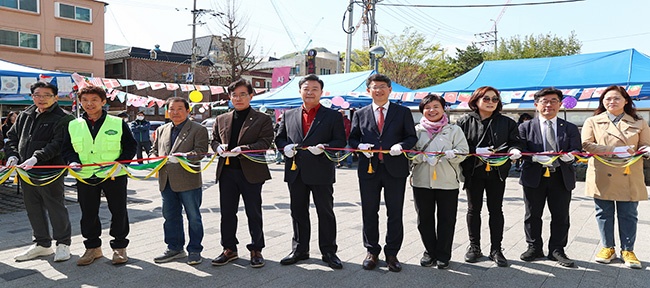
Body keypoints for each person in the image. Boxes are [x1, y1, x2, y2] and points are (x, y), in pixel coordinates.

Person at [275, 74, 346, 269]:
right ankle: (300, 249)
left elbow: (340, 141)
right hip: (295, 170)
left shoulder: (332, 116)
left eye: (315, 89)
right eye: (306, 89)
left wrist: (325, 146)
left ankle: (329, 251)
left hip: (321, 170)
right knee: (298, 211)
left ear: (321, 93)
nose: (310, 92)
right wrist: (284, 147)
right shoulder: (288, 115)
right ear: (300, 91)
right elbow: (279, 138)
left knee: (325, 212)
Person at [348, 74, 417, 272]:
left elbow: (411, 137)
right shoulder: (360, 113)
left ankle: (392, 253)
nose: (378, 90)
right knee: (369, 211)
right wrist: (359, 145)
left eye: (382, 86)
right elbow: (352, 139)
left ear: (389, 89)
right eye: (374, 87)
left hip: (395, 169)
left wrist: (401, 145)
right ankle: (372, 251)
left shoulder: (402, 112)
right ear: (368, 91)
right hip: (369, 169)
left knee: (394, 212)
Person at [61, 85, 137, 266]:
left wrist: (120, 162)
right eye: (85, 100)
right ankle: (92, 248)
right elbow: (67, 149)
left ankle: (119, 247)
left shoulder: (117, 123)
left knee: (118, 211)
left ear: (103, 101)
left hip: (113, 175)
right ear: (79, 102)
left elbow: (130, 146)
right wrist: (72, 161)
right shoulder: (73, 124)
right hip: (85, 175)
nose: (89, 104)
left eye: (94, 100)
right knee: (88, 213)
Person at [581, 85, 650, 269]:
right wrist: (614, 150)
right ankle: (607, 247)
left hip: (629, 172)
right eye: (607, 99)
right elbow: (586, 144)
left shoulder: (639, 121)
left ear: (626, 101)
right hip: (603, 171)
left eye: (616, 98)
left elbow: (645, 144)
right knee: (603, 213)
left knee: (629, 214)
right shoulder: (593, 121)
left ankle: (628, 250)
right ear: (602, 102)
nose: (612, 102)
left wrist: (646, 151)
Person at [7, 82, 74, 262]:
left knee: (55, 207)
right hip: (26, 172)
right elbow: (12, 137)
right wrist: (13, 155)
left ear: (56, 97)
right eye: (37, 95)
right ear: (32, 96)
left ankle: (63, 244)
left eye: (47, 95)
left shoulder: (64, 118)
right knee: (32, 208)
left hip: (50, 172)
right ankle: (42, 244)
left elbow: (58, 144)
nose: (42, 99)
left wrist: (36, 157)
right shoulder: (25, 115)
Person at [456, 86, 522, 267]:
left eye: (494, 99)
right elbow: (457, 145)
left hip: (497, 173)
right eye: (486, 99)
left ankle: (496, 249)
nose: (491, 102)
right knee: (473, 209)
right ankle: (474, 246)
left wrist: (515, 150)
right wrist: (474, 151)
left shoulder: (507, 122)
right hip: (473, 172)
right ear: (476, 101)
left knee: (496, 209)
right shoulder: (463, 121)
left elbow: (515, 141)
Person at [211, 79, 274, 268]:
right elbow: (213, 140)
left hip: (252, 172)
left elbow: (266, 142)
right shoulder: (221, 118)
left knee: (253, 212)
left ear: (251, 95)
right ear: (230, 97)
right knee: (227, 213)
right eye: (234, 95)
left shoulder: (262, 119)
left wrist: (244, 149)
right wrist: (218, 147)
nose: (238, 98)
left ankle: (256, 249)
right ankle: (229, 248)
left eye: (242, 94)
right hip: (227, 172)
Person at [517, 88, 581, 267]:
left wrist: (572, 156)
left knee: (561, 216)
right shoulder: (525, 127)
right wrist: (533, 157)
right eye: (544, 101)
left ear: (560, 104)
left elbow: (577, 149)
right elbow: (520, 150)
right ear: (536, 105)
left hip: (560, 176)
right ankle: (534, 247)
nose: (549, 105)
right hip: (534, 176)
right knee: (532, 215)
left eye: (553, 101)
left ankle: (557, 249)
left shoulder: (569, 127)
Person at [411, 94, 468, 269]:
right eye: (427, 107)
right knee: (424, 219)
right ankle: (429, 252)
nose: (432, 110)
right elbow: (409, 153)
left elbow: (464, 151)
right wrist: (421, 158)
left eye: (436, 106)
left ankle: (443, 254)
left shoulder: (454, 130)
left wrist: (454, 154)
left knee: (447, 219)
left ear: (443, 109)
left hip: (448, 181)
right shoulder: (416, 130)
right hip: (421, 181)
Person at [151, 97, 209, 266]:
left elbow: (200, 152)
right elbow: (154, 149)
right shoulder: (162, 129)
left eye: (179, 109)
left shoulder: (198, 129)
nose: (175, 112)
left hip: (188, 181)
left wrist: (184, 157)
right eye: (171, 109)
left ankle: (195, 249)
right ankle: (174, 247)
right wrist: (153, 158)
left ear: (187, 110)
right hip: (166, 180)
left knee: (194, 217)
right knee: (170, 216)